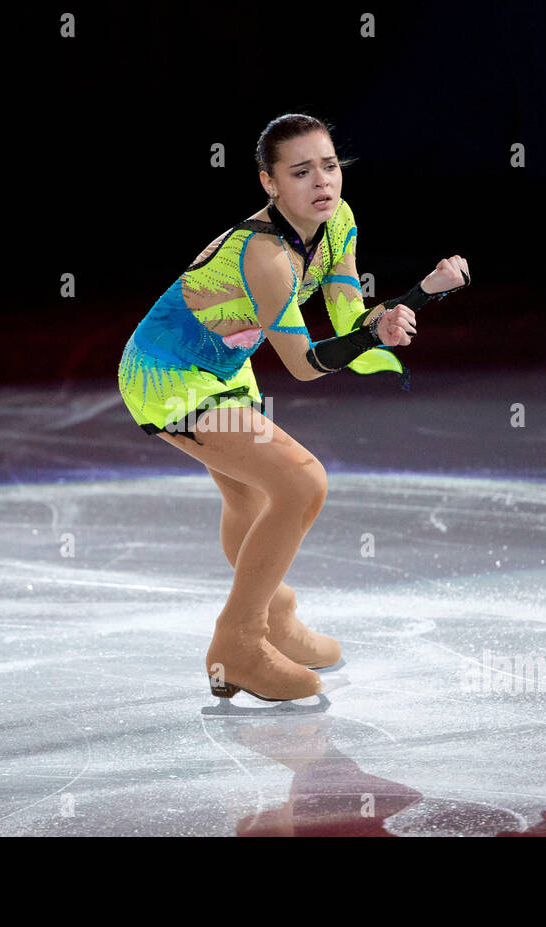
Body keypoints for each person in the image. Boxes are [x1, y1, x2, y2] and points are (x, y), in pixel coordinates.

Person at [117, 113, 470, 701]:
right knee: (302, 482)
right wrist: (375, 331)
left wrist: (416, 296)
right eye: (301, 171)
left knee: (253, 502)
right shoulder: (263, 254)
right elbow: (306, 363)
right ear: (269, 183)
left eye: (329, 166)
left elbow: (349, 322)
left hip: (226, 366)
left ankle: (274, 617)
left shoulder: (338, 224)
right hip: (166, 375)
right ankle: (237, 644)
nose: (322, 182)